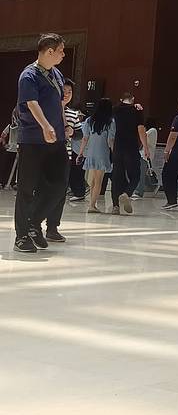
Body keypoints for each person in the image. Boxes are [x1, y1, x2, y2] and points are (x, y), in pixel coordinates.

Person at [13, 33, 69, 252]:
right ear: (50, 51)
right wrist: (45, 126)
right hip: (33, 140)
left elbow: (58, 104)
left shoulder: (57, 74)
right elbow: (32, 104)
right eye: (61, 50)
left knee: (58, 185)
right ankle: (21, 236)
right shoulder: (29, 75)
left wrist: (63, 125)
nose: (63, 54)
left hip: (56, 140)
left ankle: (34, 222)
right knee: (27, 188)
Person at [111, 92, 150, 214]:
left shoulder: (115, 110)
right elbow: (141, 129)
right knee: (135, 175)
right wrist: (146, 147)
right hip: (131, 147)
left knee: (117, 176)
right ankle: (127, 193)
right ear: (132, 99)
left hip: (117, 147)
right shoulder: (136, 111)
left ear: (121, 99)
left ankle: (115, 206)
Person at [78, 98, 115, 212]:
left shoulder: (89, 120)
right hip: (102, 152)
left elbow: (85, 138)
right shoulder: (110, 122)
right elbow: (110, 140)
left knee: (93, 180)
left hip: (91, 152)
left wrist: (80, 153)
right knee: (99, 181)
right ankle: (92, 205)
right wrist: (114, 153)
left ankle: (92, 204)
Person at [63, 80, 86, 201]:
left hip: (66, 156)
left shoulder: (72, 114)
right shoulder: (46, 111)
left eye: (69, 92)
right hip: (46, 155)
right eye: (64, 91)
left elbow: (80, 134)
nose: (66, 94)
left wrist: (72, 133)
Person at [134, 116, 158, 197]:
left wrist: (142, 130)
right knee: (144, 174)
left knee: (141, 174)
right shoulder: (153, 131)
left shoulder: (152, 131)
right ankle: (151, 187)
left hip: (145, 155)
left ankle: (139, 191)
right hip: (145, 155)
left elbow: (143, 136)